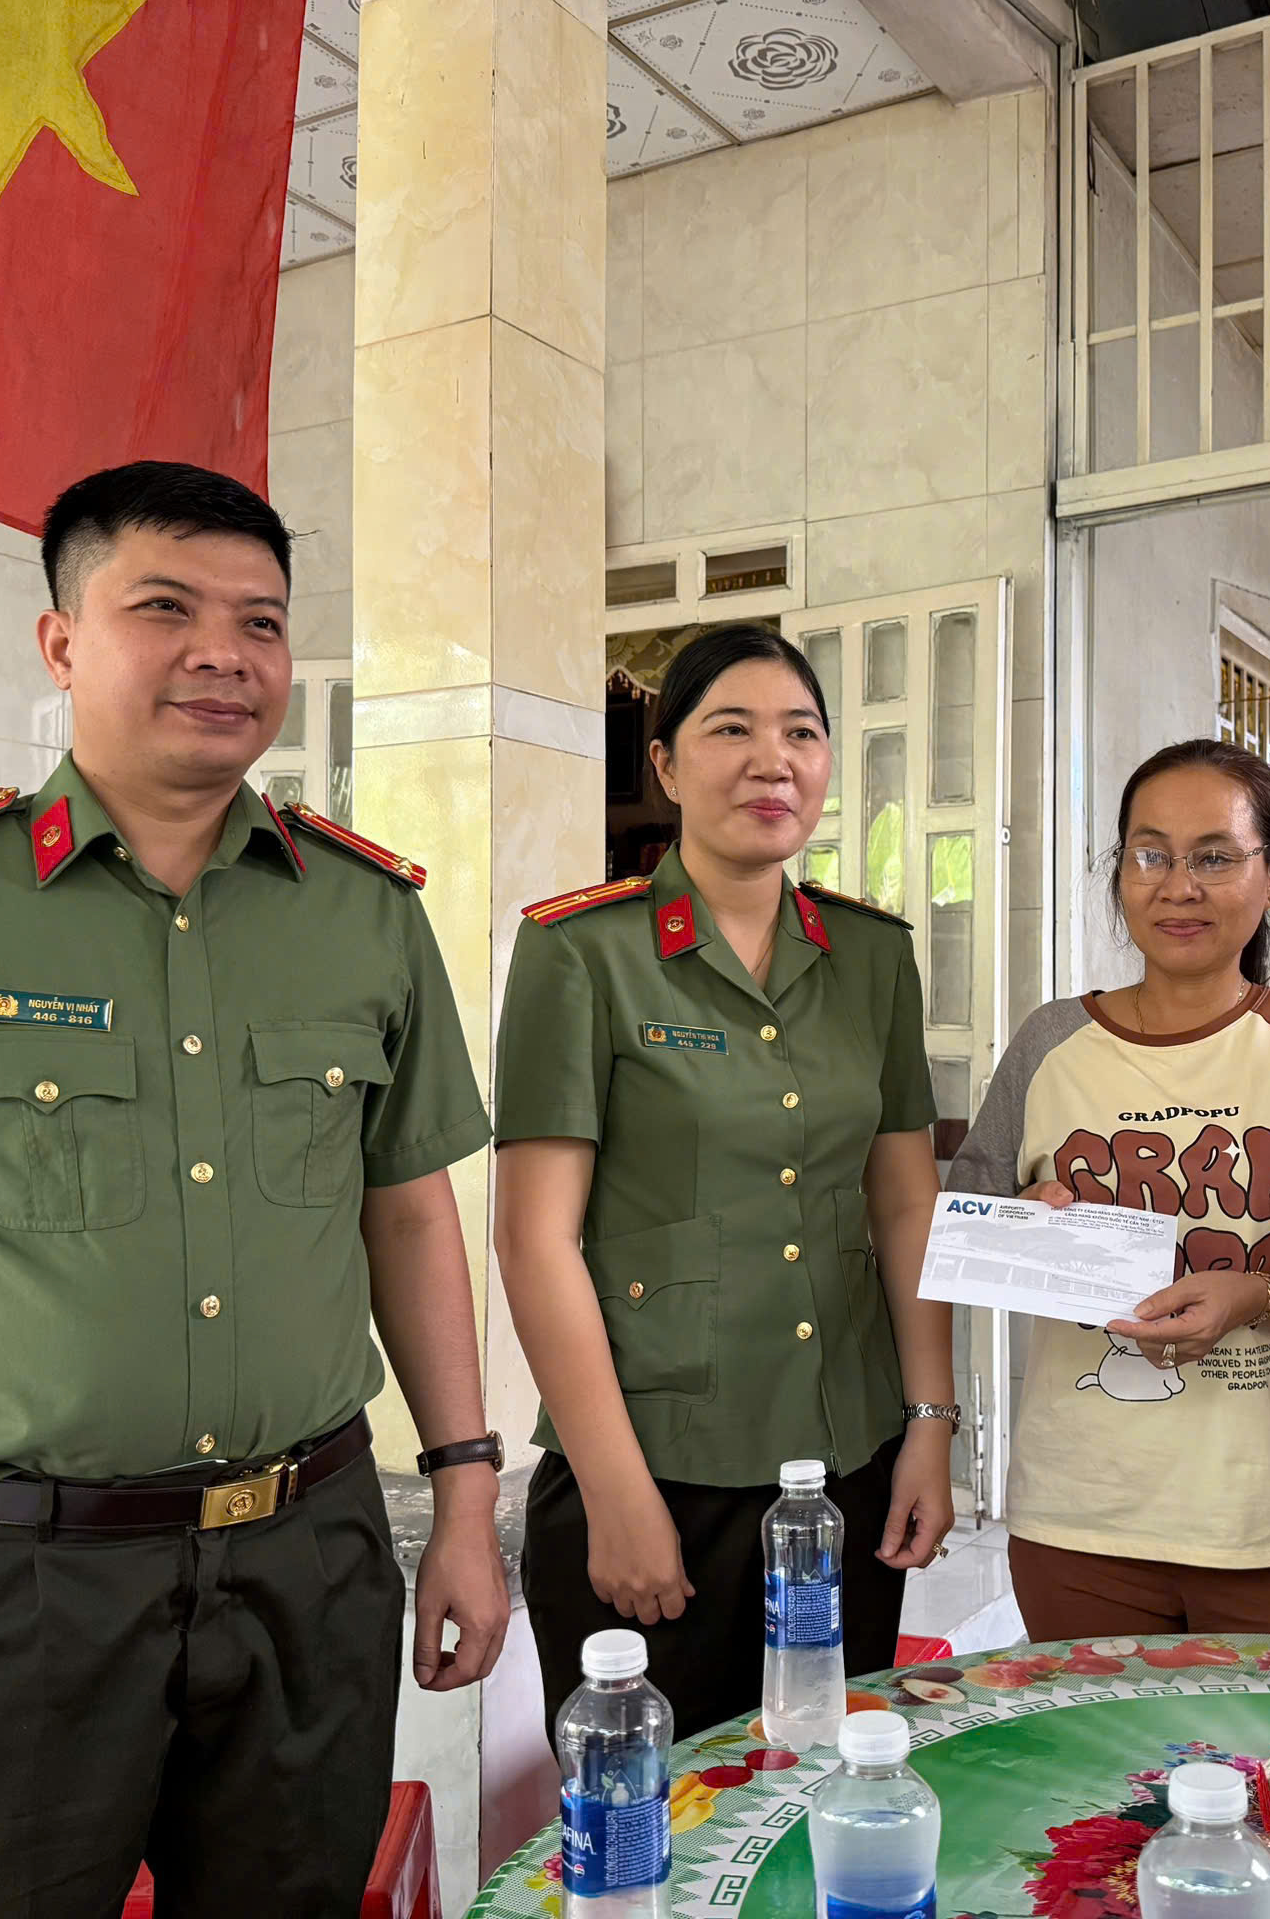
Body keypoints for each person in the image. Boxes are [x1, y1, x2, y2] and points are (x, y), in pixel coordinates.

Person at [0, 462, 511, 1913]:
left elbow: (410, 1217)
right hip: (23, 1584)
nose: (223, 653)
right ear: (62, 642)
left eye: (261, 622)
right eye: (164, 608)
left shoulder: (366, 914)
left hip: (313, 1555)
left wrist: (464, 1499)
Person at [493, 624, 957, 1738]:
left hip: (846, 1465)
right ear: (663, 764)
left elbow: (905, 1201)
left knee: (825, 1788)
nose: (772, 762)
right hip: (657, 1472)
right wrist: (616, 1492)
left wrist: (931, 1424)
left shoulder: (873, 957)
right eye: (731, 730)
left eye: (801, 733)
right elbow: (535, 1239)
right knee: (655, 1815)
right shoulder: (584, 952)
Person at [946, 739, 1270, 1640]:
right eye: (1151, 855)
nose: (1178, 887)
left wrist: (1257, 1296)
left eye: (1214, 858)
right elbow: (963, 1237)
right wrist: (1023, 1229)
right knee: (1100, 1741)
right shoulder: (1051, 1043)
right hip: (1082, 1517)